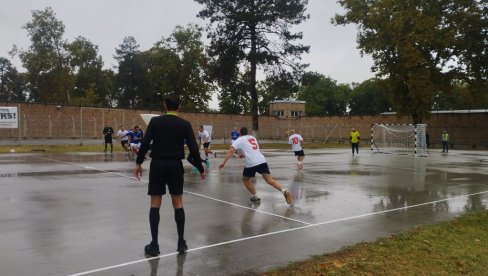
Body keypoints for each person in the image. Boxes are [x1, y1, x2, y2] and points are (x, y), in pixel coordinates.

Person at [134, 94, 206, 257]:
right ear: (178, 107)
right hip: (175, 165)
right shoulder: (184, 124)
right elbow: (194, 149)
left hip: (158, 164)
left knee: (155, 202)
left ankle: (154, 245)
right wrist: (201, 167)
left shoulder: (155, 122)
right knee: (178, 201)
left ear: (165, 106)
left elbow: (145, 144)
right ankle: (181, 242)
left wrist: (138, 163)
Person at [218, 127, 292, 205]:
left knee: (245, 180)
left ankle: (255, 196)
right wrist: (244, 155)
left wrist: (223, 162)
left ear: (240, 133)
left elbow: (231, 151)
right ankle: (285, 191)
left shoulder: (239, 140)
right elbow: (251, 150)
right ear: (247, 132)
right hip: (261, 160)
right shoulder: (252, 137)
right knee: (270, 180)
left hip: (251, 163)